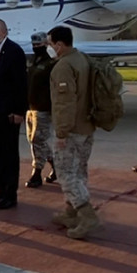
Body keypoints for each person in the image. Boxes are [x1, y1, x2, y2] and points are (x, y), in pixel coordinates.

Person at [46, 25, 99, 239]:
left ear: (59, 45)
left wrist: (61, 133)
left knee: (66, 174)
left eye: (51, 44)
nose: (50, 48)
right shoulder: (82, 59)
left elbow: (64, 104)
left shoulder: (63, 66)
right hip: (86, 126)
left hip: (72, 130)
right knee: (80, 172)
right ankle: (72, 212)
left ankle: (87, 216)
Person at [0, 18, 28, 210]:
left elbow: (21, 85)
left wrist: (20, 111)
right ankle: (0, 189)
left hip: (10, 113)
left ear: (3, 32)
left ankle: (11, 194)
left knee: (9, 154)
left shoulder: (14, 52)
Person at [25, 31, 57, 188]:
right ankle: (55, 164)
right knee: (34, 139)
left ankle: (36, 173)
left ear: (46, 45)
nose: (36, 47)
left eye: (39, 45)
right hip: (31, 108)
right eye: (34, 45)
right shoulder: (33, 63)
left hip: (44, 108)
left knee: (38, 140)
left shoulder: (50, 65)